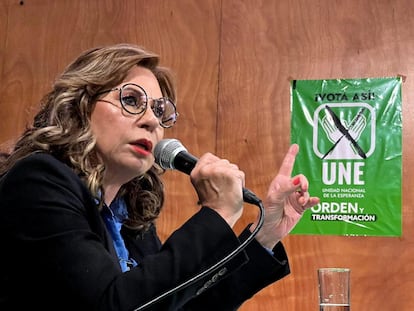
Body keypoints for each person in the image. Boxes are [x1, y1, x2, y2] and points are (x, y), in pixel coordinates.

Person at [0, 43, 319, 311]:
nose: (152, 121)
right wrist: (216, 214)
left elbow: (177, 305)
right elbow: (111, 305)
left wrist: (262, 236)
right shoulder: (38, 183)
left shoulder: (131, 216)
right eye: (131, 100)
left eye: (159, 110)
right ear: (79, 107)